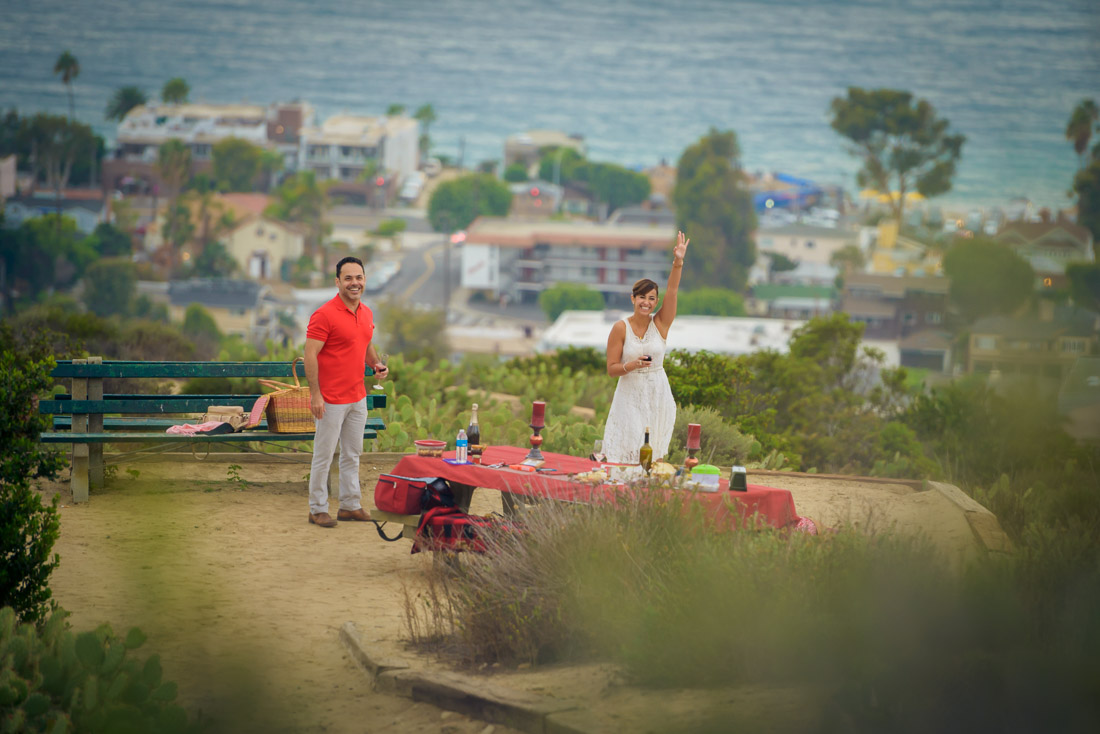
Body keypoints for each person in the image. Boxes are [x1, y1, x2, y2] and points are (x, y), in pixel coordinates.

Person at [303, 256, 389, 528]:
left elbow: (365, 344)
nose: (355, 283)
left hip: (357, 397)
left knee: (353, 454)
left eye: (359, 277)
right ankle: (317, 509)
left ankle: (350, 506)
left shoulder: (366, 312)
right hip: (330, 399)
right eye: (348, 278)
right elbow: (310, 355)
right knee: (324, 456)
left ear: (365, 280)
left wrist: (375, 364)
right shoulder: (324, 314)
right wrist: (316, 395)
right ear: (337, 282)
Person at [601, 231, 689, 464]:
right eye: (641, 297)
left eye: (651, 298)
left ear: (655, 302)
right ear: (633, 299)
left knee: (654, 455)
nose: (646, 302)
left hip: (657, 392)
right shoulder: (621, 328)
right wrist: (631, 365)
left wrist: (678, 262)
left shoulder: (660, 324)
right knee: (629, 451)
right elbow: (611, 369)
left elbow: (672, 291)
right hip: (629, 394)